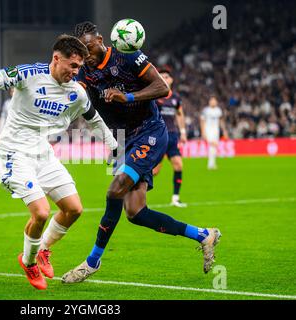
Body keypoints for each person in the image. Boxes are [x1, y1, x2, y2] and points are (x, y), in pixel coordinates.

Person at [62, 22, 221, 284]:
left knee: (115, 190)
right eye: (81, 51)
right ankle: (204, 235)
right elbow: (77, 93)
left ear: (101, 40)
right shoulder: (84, 71)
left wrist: (130, 97)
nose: (86, 54)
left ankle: (92, 262)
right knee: (136, 213)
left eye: (89, 47)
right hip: (123, 139)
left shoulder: (128, 55)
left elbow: (162, 88)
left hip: (150, 131)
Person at [0, 34, 117, 290]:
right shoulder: (29, 74)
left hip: (43, 154)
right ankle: (29, 261)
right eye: (73, 66)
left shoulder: (75, 92)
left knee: (74, 209)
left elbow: (94, 119)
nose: (77, 72)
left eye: (80, 67)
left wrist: (113, 146)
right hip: (14, 154)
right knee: (42, 212)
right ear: (57, 58)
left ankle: (43, 249)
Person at [152, 67, 188, 207]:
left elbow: (180, 114)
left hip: (172, 135)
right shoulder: (154, 96)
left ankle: (175, 198)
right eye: (162, 76)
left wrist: (183, 132)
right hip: (159, 136)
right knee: (154, 171)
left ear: (171, 79)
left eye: (167, 77)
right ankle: (133, 194)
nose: (165, 79)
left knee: (178, 165)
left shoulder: (175, 98)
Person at [200, 96, 229, 170]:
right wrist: (203, 132)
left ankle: (212, 164)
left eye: (214, 100)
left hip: (216, 130)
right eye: (212, 100)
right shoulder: (206, 110)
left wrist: (224, 130)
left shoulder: (218, 110)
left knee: (213, 147)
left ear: (216, 102)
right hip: (208, 130)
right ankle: (211, 164)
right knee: (212, 145)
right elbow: (202, 121)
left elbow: (220, 121)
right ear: (209, 102)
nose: (213, 102)